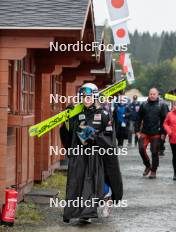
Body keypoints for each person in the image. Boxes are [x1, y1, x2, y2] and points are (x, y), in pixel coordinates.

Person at [60, 83, 123, 223]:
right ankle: (84, 213)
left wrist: (93, 136)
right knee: (79, 183)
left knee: (95, 182)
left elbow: (109, 138)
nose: (86, 99)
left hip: (97, 156)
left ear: (95, 96)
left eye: (89, 96)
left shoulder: (105, 114)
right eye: (83, 96)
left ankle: (106, 198)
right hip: (80, 156)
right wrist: (68, 118)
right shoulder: (77, 114)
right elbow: (67, 133)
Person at [135, 88, 168, 179]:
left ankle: (153, 171)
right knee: (141, 149)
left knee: (154, 152)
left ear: (157, 95)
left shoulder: (162, 105)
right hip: (145, 131)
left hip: (156, 133)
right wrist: (137, 131)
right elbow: (138, 118)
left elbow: (165, 120)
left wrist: (163, 133)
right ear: (148, 94)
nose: (152, 95)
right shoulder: (144, 105)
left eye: (154, 94)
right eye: (150, 94)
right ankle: (147, 165)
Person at [163, 101, 176, 180]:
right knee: (175, 157)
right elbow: (165, 123)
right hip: (173, 139)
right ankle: (175, 173)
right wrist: (169, 131)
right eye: (175, 105)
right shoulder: (170, 114)